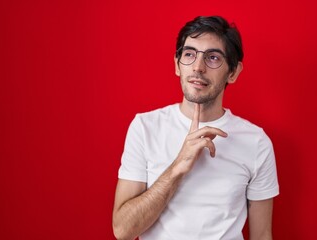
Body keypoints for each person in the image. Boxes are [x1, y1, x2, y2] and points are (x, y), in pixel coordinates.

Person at [112, 15, 279, 240]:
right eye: (189, 54)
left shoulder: (256, 142)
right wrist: (178, 167)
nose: (198, 68)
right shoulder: (145, 128)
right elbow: (123, 230)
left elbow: (262, 235)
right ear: (177, 65)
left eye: (213, 58)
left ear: (233, 72)